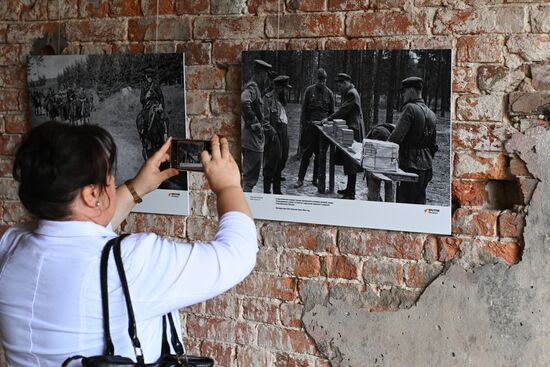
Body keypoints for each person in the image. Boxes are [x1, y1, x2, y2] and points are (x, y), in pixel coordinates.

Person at [0, 121, 257, 366]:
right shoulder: (131, 262)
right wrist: (228, 187)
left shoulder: (11, 246)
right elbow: (237, 255)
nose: (113, 182)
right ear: (91, 194)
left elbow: (84, 235)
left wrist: (137, 187)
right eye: (109, 178)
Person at [388, 76, 438, 204]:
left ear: (411, 90)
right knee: (419, 203)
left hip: (409, 165)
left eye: (404, 91)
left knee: (404, 203)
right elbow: (433, 145)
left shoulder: (410, 108)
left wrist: (383, 152)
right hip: (426, 167)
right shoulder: (432, 114)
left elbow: (396, 137)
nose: (403, 95)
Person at [322, 73, 365, 200]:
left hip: (354, 130)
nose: (339, 87)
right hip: (351, 128)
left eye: (340, 84)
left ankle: (351, 193)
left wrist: (328, 119)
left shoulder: (352, 93)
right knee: (348, 160)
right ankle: (349, 188)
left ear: (346, 82)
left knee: (351, 161)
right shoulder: (350, 92)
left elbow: (343, 111)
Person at [294, 68, 335, 189]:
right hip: (310, 129)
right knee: (306, 154)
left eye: (324, 80)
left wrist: (328, 127)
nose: (322, 82)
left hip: (322, 131)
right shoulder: (309, 90)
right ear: (316, 79)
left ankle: (315, 179)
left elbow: (332, 113)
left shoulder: (330, 94)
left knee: (320, 155)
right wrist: (305, 126)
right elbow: (304, 111)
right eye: (320, 80)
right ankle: (300, 179)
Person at [241, 59, 272, 192]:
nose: (266, 78)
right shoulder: (252, 87)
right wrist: (254, 122)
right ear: (259, 73)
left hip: (252, 139)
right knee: (249, 178)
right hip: (252, 140)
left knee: (249, 177)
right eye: (265, 75)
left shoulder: (257, 89)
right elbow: (243, 100)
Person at [262, 75, 292, 194]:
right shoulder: (267, 98)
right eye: (285, 88)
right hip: (274, 133)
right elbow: (265, 122)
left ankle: (277, 190)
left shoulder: (282, 99)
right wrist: (272, 134)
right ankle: (267, 191)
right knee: (271, 161)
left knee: (282, 160)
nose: (287, 91)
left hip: (283, 132)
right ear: (280, 87)